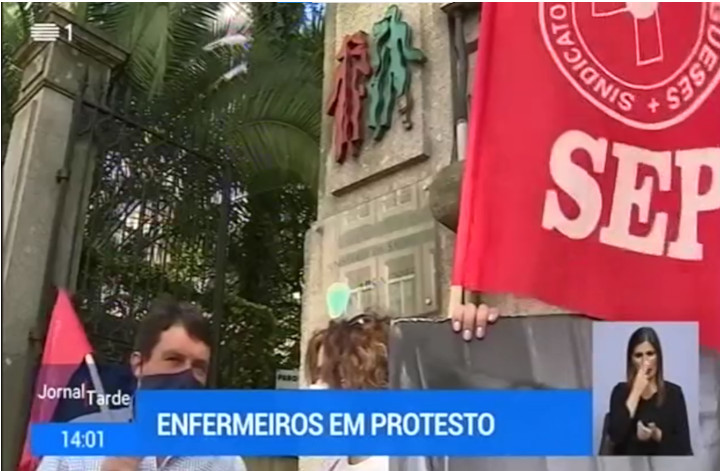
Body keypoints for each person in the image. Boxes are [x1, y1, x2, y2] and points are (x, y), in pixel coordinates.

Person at [37, 296, 246, 471]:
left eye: (199, 367)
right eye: (174, 360)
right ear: (139, 364)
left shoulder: (224, 461)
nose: (186, 376)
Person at [606, 326, 693, 456]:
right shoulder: (620, 391)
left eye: (650, 354)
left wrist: (657, 435)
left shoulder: (674, 393)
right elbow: (616, 436)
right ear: (631, 360)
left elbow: (684, 448)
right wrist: (636, 391)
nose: (645, 362)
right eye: (638, 356)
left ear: (658, 357)